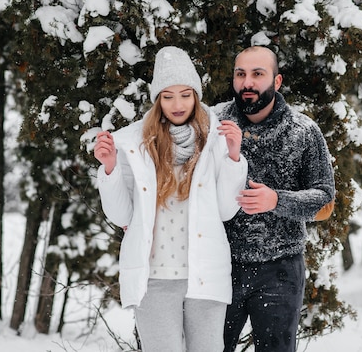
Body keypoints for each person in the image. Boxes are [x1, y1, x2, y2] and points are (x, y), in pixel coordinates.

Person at [93, 46, 248, 352]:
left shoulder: (216, 139)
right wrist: (109, 167)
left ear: (196, 96)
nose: (177, 104)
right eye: (168, 96)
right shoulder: (135, 145)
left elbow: (227, 211)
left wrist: (233, 156)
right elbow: (122, 216)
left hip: (205, 273)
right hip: (154, 278)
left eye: (185, 94)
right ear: (157, 100)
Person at [214, 45, 335, 352]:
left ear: (277, 81)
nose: (247, 83)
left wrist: (277, 200)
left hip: (280, 270)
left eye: (258, 74)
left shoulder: (303, 131)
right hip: (217, 266)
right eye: (241, 74)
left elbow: (325, 199)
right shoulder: (211, 124)